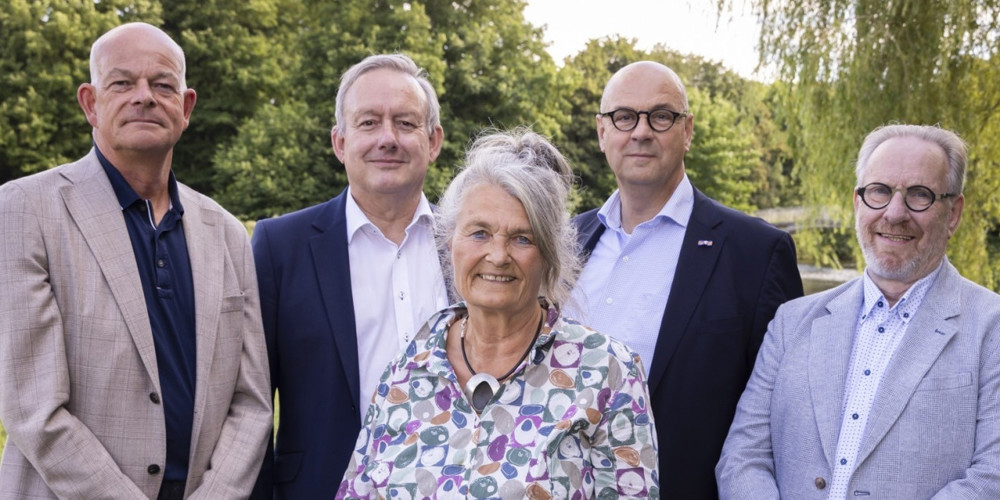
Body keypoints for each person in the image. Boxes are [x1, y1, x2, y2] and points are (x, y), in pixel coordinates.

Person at [0, 22, 272, 499]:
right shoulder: (24, 211)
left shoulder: (227, 232)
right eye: (122, 83)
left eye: (162, 85)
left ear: (185, 108)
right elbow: (33, 407)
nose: (144, 97)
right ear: (90, 102)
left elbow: (250, 404)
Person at [337, 129, 660, 499]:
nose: (498, 255)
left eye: (522, 238)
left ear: (549, 255)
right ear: (450, 241)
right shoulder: (409, 368)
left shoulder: (607, 373)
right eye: (479, 233)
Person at [716, 124, 1000, 499]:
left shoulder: (991, 327)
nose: (894, 213)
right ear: (857, 202)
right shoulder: (791, 322)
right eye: (879, 191)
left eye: (920, 195)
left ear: (953, 213)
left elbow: (992, 475)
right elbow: (742, 457)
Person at [567, 61, 804, 499]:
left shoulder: (755, 253)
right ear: (603, 132)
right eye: (624, 117)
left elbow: (784, 420)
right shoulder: (564, 242)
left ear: (687, 130)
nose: (640, 132)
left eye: (660, 116)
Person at [250, 54, 449, 498]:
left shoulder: (470, 246)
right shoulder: (280, 247)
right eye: (368, 123)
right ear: (339, 142)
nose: (387, 139)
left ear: (433, 141)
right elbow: (249, 405)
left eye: (405, 122)